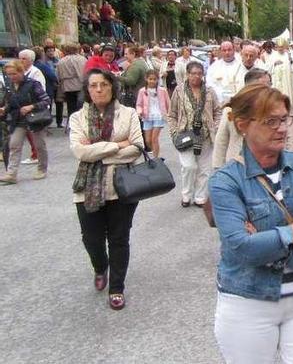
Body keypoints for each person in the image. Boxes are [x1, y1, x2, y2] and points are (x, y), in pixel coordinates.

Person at [209, 85, 293, 363]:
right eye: (270, 121)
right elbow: (243, 249)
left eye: (284, 119)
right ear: (243, 125)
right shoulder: (226, 181)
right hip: (247, 302)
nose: (281, 128)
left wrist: (273, 244)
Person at [68, 69, 144, 310]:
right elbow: (80, 152)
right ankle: (100, 267)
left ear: (112, 87)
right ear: (87, 90)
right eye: (93, 85)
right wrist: (117, 146)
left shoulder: (128, 113)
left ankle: (117, 288)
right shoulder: (77, 118)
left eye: (103, 84)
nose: (99, 89)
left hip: (121, 187)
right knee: (91, 238)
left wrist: (97, 150)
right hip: (87, 187)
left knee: (119, 239)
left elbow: (137, 147)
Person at [167, 61, 222, 208]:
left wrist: (215, 127)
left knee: (204, 168)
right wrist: (173, 132)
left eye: (199, 73)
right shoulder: (179, 91)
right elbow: (171, 114)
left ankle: (200, 197)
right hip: (185, 135)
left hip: (206, 135)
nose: (196, 76)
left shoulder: (209, 91)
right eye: (193, 73)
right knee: (189, 166)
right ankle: (186, 194)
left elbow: (218, 111)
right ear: (187, 74)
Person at [0, 61, 51, 184]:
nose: (11, 77)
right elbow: (10, 103)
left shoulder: (33, 84)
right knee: (14, 144)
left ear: (21, 71)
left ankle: (42, 168)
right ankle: (11, 174)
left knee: (39, 145)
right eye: (9, 74)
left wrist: (31, 106)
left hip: (36, 119)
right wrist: (4, 109)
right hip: (19, 120)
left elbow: (46, 100)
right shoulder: (10, 86)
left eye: (14, 74)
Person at [213, 68, 272, 169]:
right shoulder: (232, 109)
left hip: (264, 166)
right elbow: (221, 140)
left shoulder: (273, 110)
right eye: (263, 86)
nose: (268, 89)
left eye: (269, 85)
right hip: (237, 165)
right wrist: (218, 167)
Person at [136, 70, 170, 158]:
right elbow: (139, 104)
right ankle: (154, 151)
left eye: (154, 79)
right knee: (148, 141)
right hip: (147, 116)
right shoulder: (142, 91)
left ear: (157, 80)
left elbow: (168, 104)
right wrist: (139, 112)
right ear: (146, 79)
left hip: (159, 116)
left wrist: (170, 115)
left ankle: (156, 158)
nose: (152, 81)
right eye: (150, 79)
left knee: (154, 138)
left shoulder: (162, 91)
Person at [56, 44, 87, 128]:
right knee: (81, 106)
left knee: (71, 106)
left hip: (67, 86)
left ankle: (72, 123)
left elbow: (58, 75)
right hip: (79, 84)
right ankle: (80, 123)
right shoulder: (82, 59)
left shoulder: (61, 61)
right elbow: (85, 72)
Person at [206, 41, 244, 105]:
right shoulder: (214, 67)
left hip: (240, 101)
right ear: (220, 51)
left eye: (229, 50)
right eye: (224, 50)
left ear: (234, 50)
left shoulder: (242, 64)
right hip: (221, 103)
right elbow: (209, 84)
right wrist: (221, 94)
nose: (227, 53)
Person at [267, 39, 293, 107]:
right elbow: (267, 68)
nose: (280, 49)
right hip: (276, 81)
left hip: (287, 81)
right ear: (276, 47)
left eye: (282, 47)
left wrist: (291, 61)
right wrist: (274, 64)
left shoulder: (289, 55)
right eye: (279, 47)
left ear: (284, 47)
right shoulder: (273, 55)